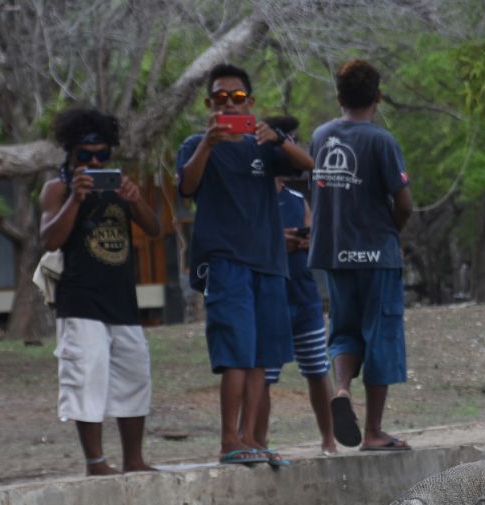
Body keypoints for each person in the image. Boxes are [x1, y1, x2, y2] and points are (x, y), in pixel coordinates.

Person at [176, 63, 314, 466]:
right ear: (209, 103)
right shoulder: (194, 144)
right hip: (226, 263)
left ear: (250, 102)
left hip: (270, 265)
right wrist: (208, 143)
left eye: (237, 98)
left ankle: (253, 439)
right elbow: (186, 187)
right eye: (220, 97)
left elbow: (308, 165)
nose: (229, 103)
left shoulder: (264, 144)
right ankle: (228, 440)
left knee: (261, 357)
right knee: (235, 355)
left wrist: (278, 138)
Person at [40, 107, 160, 476]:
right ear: (70, 154)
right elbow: (49, 239)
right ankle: (96, 462)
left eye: (102, 155)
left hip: (122, 300)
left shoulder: (119, 185)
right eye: (85, 156)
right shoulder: (57, 188)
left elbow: (154, 228)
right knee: (85, 378)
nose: (94, 162)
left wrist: (136, 198)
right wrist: (75, 200)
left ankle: (134, 460)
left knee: (134, 376)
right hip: (80, 301)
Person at [308, 59, 414, 452]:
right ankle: (373, 430)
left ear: (339, 97)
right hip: (377, 256)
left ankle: (340, 388)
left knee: (345, 330)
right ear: (378, 97)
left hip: (335, 255)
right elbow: (404, 203)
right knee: (380, 336)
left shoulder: (319, 137)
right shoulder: (381, 141)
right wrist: (391, 232)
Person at [253, 115, 335, 456]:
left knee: (317, 369)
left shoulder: (294, 198)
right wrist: (276, 243)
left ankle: (329, 440)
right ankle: (259, 442)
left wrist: (305, 242)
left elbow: (314, 233)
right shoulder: (252, 198)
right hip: (270, 298)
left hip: (303, 295)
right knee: (265, 376)